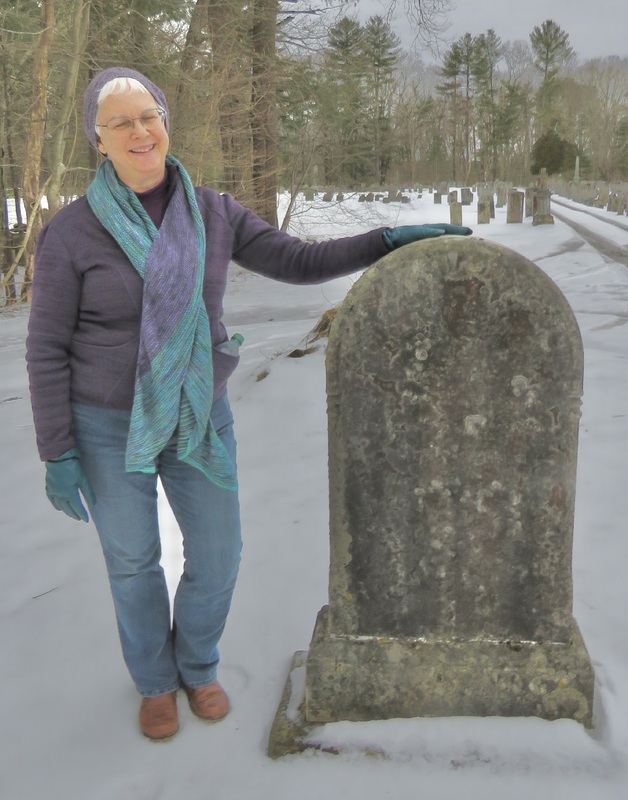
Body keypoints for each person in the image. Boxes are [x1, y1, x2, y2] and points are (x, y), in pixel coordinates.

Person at [26, 66, 472, 741]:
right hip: (105, 421)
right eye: (121, 121)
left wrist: (384, 241)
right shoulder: (72, 231)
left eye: (148, 115)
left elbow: (298, 260)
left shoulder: (212, 212)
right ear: (99, 137)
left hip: (199, 413)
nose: (139, 131)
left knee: (220, 552)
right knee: (133, 558)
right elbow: (47, 346)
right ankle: (154, 680)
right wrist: (57, 447)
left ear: (165, 121)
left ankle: (196, 663)